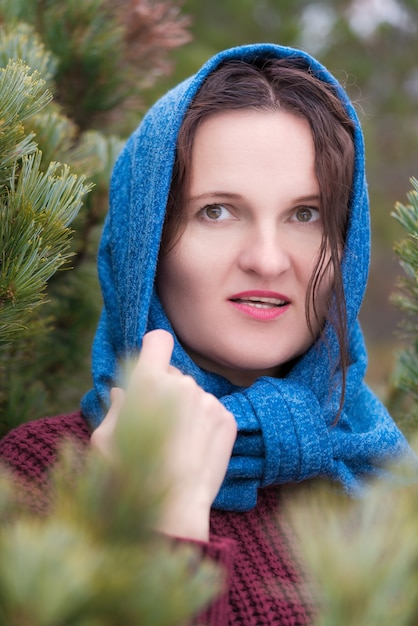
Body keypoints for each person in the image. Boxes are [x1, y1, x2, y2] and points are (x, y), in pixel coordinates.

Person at [0, 43, 412, 624]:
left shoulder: (386, 485)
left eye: (306, 214)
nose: (269, 261)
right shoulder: (35, 486)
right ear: (145, 249)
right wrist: (159, 528)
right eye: (217, 211)